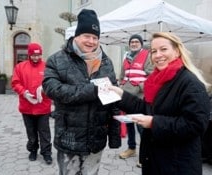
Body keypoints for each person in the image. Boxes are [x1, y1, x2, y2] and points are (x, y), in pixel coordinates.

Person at [109, 32, 210, 175]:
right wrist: (120, 95)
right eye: (154, 51)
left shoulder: (190, 83)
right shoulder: (157, 80)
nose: (157, 55)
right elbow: (145, 108)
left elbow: (195, 124)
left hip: (177, 164)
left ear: (176, 51)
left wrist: (153, 123)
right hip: (155, 159)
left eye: (163, 49)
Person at [42, 9, 121, 175]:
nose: (91, 41)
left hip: (96, 139)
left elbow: (113, 102)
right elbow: (51, 89)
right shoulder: (57, 59)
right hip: (69, 137)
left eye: (95, 37)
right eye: (87, 36)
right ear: (76, 36)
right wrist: (92, 90)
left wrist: (114, 136)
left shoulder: (106, 62)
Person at [11, 42, 53, 164]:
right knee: (31, 131)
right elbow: (15, 83)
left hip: (43, 106)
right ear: (29, 55)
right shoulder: (20, 67)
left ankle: (46, 153)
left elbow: (52, 83)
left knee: (44, 132)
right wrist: (24, 93)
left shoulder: (47, 67)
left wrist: (44, 89)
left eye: (38, 55)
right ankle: (33, 150)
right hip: (27, 106)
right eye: (34, 55)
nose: (36, 57)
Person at [118, 34, 151, 166]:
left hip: (140, 96)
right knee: (129, 123)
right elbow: (122, 74)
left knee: (141, 126)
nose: (134, 44)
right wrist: (121, 85)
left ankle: (145, 154)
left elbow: (152, 73)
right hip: (127, 96)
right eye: (132, 42)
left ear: (141, 44)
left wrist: (141, 86)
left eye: (137, 42)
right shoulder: (127, 56)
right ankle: (131, 148)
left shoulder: (147, 55)